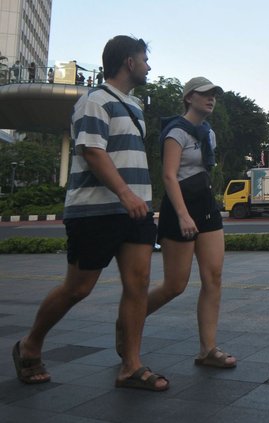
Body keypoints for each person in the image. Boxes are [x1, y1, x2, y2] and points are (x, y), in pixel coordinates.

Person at [12, 35, 169, 392]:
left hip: (136, 209)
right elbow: (93, 152)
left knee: (138, 284)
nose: (148, 66)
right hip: (95, 211)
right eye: (145, 59)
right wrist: (125, 193)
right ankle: (31, 344)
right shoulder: (93, 101)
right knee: (78, 288)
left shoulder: (134, 106)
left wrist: (137, 198)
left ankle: (131, 366)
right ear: (129, 62)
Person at [117, 77, 236, 368]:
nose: (211, 99)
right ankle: (130, 320)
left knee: (214, 278)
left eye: (214, 95)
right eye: (205, 94)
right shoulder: (176, 132)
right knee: (175, 284)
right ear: (189, 98)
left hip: (205, 206)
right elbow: (169, 176)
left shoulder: (208, 133)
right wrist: (183, 215)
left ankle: (208, 350)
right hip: (179, 206)